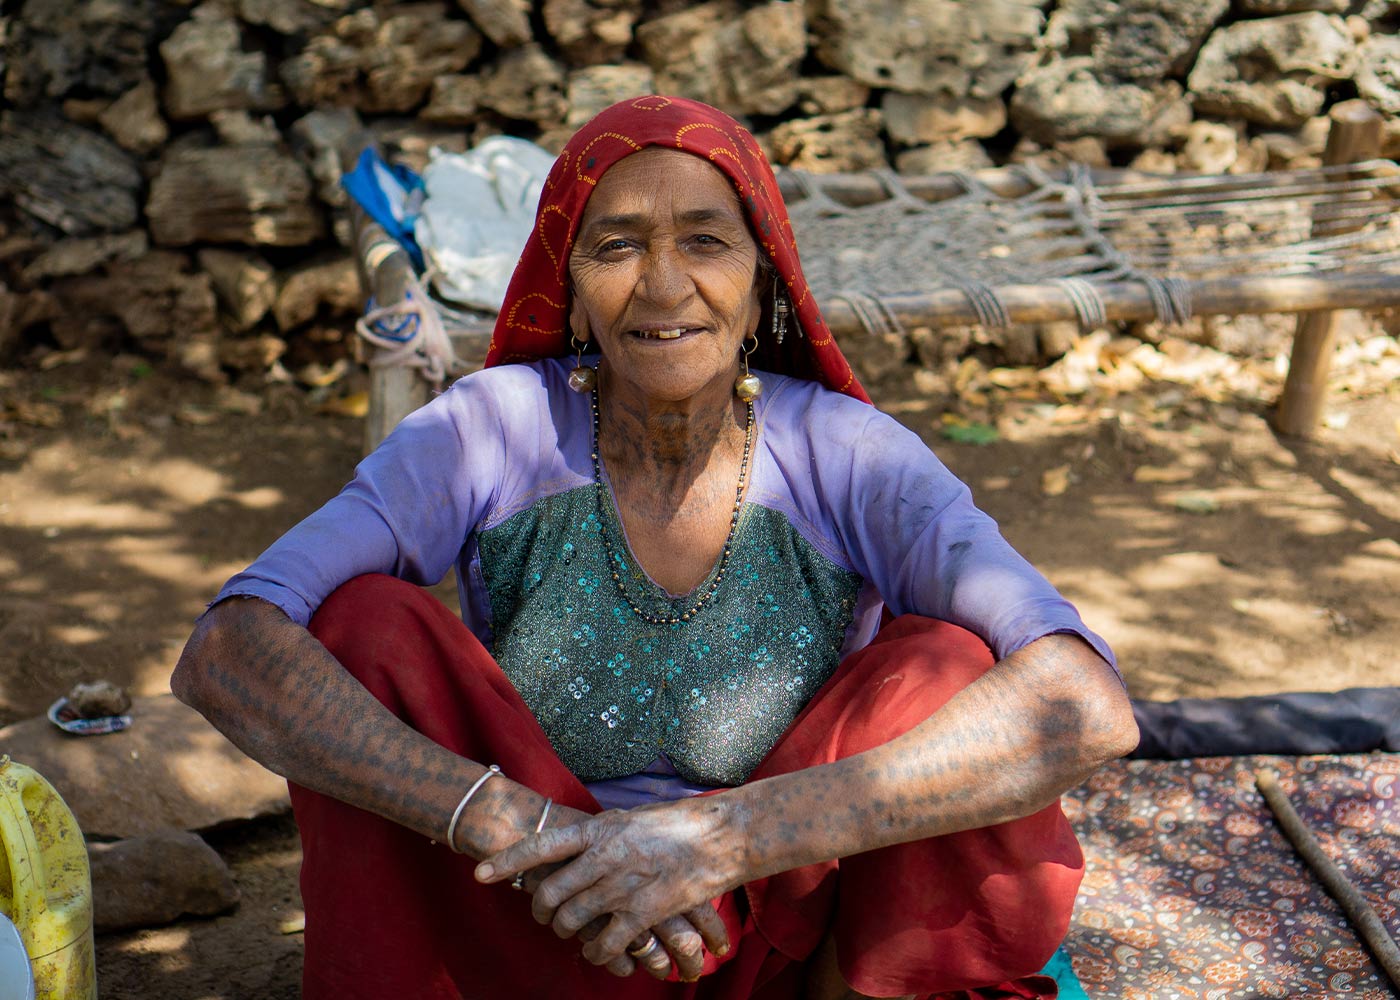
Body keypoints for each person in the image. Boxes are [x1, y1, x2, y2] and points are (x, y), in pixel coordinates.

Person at [173, 96, 1139, 1000]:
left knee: (944, 667)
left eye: (708, 243)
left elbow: (1084, 707)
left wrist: (723, 839)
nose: (665, 284)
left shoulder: (849, 454)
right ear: (575, 292)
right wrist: (530, 829)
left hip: (775, 946)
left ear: (764, 290)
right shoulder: (491, 430)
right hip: (526, 918)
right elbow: (230, 650)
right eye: (618, 247)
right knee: (364, 626)